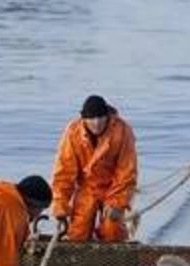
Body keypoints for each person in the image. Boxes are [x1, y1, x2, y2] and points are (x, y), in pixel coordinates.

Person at [51, 94, 137, 242]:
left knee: (113, 231)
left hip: (113, 189)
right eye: (92, 118)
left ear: (107, 116)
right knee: (78, 233)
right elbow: (64, 173)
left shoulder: (122, 131)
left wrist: (118, 203)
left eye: (100, 118)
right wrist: (60, 206)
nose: (96, 123)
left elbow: (127, 171)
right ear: (84, 119)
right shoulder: (73, 132)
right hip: (87, 188)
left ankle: (114, 259)